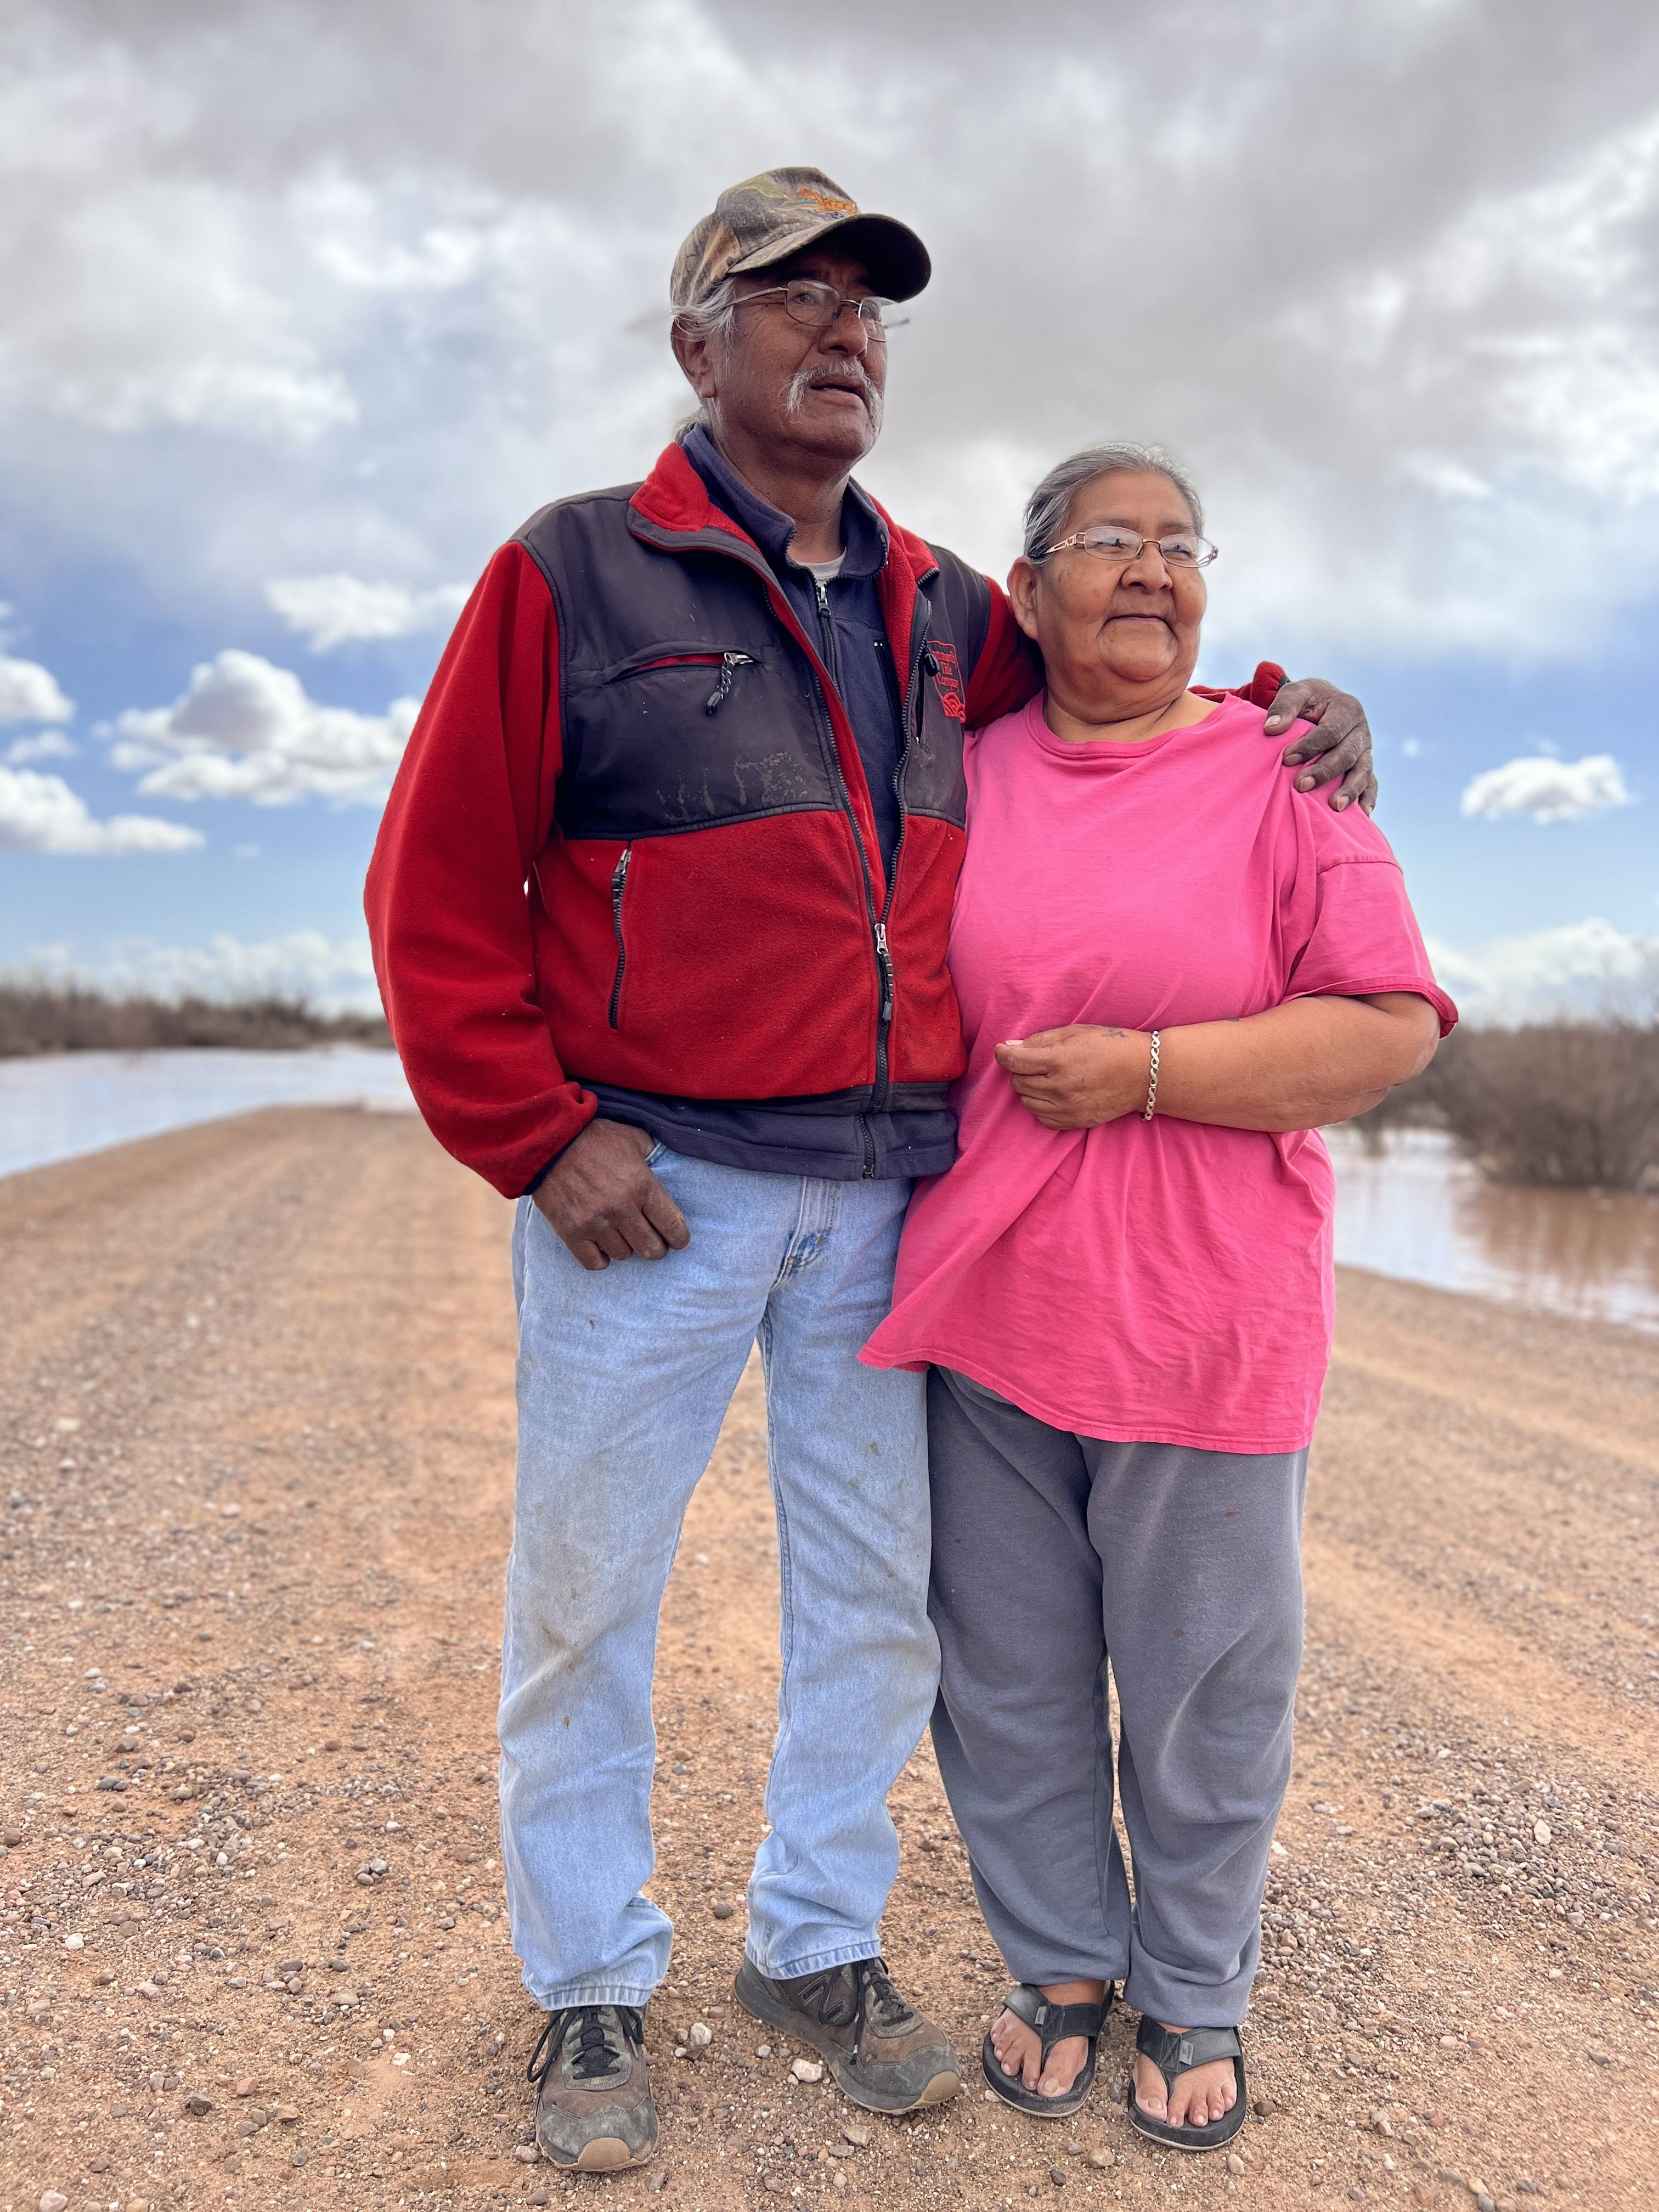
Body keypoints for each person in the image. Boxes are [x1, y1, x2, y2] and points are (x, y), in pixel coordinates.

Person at [364, 169, 1376, 2175]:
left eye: (870, 309)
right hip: (650, 1196)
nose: (843, 334)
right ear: (697, 347)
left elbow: (1125, 682)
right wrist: (538, 1137)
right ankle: (588, 1984)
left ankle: (812, 1946)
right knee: (589, 1600)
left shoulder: (940, 608)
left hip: (883, 1197)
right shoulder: (570, 573)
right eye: (791, 297)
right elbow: (437, 890)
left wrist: (1293, 711)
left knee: (876, 1611)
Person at [862, 444, 1454, 2153]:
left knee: (1203, 1675)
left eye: (1180, 544)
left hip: (1206, 1316)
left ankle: (1193, 1982)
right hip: (986, 1308)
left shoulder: (1287, 773)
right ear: (1026, 591)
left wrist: (1150, 1072)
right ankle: (1060, 1961)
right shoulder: (957, 778)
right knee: (1011, 1673)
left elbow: (1388, 1024)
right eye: (1105, 541)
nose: (1148, 569)